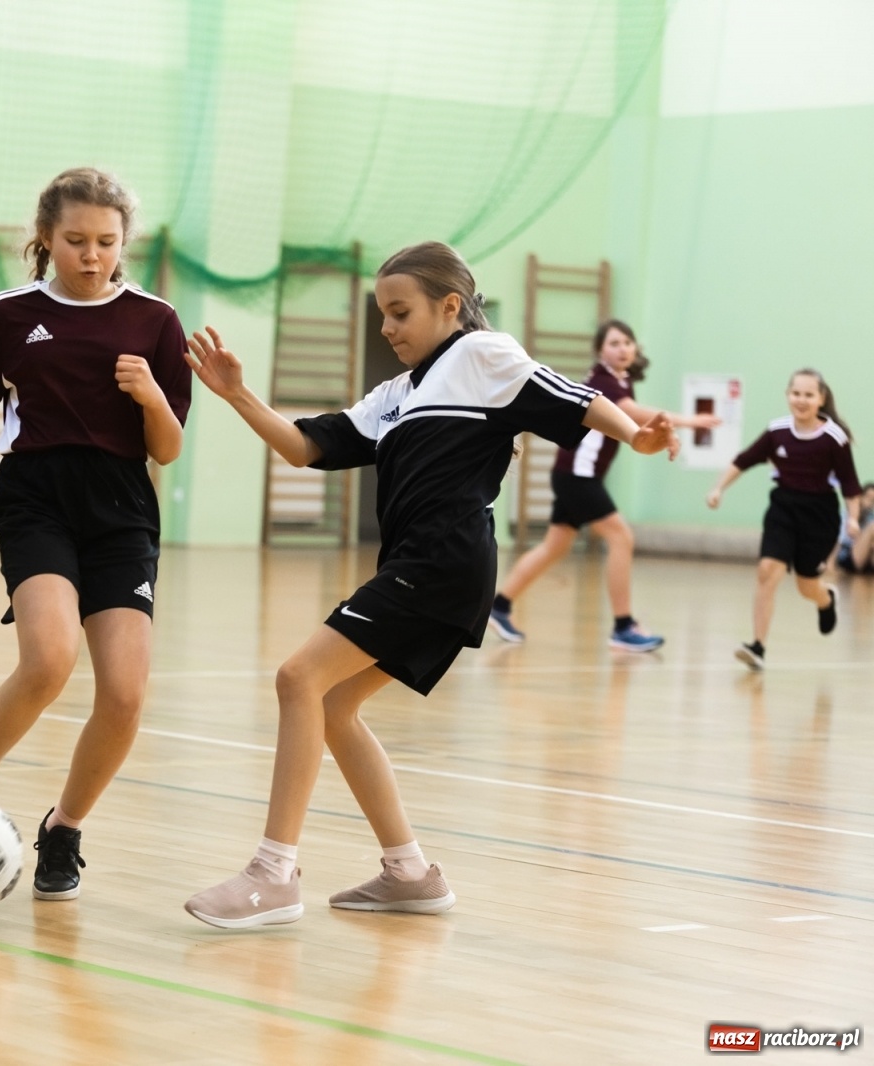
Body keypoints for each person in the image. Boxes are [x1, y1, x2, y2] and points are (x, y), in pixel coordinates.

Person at [180, 241, 677, 929]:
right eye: (382, 313)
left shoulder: (483, 355)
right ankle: (409, 872)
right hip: (417, 565)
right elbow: (306, 446)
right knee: (332, 707)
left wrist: (635, 433)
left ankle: (273, 873)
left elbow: (575, 397)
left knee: (299, 679)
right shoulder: (395, 395)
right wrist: (238, 396)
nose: (388, 326)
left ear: (451, 307)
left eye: (400, 311)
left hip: (445, 561)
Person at [0, 167, 191, 900]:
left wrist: (154, 396)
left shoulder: (156, 321)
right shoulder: (8, 314)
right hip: (37, 498)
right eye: (75, 240)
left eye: (105, 241)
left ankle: (63, 829)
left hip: (122, 507)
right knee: (49, 659)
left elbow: (167, 447)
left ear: (124, 241)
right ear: (45, 238)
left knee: (125, 695)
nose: (91, 254)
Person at [487, 320, 720, 650]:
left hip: (574, 475)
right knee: (621, 537)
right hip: (577, 477)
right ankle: (623, 627)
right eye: (614, 343)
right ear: (600, 351)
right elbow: (634, 413)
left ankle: (500, 607)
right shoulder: (603, 381)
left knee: (555, 546)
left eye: (628, 342)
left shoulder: (619, 380)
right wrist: (691, 420)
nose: (623, 348)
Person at [706, 370, 861, 669]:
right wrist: (718, 488)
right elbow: (744, 459)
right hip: (783, 508)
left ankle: (825, 599)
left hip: (820, 515)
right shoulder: (777, 431)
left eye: (808, 395)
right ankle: (758, 647)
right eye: (796, 394)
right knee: (767, 571)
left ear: (821, 399)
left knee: (806, 585)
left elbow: (850, 485)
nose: (801, 400)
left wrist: (852, 519)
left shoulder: (833, 438)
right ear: (788, 395)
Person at [836, 486, 874, 574]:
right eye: (868, 497)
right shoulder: (846, 515)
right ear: (860, 497)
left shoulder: (870, 517)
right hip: (847, 556)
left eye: (873, 500)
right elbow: (839, 543)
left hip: (866, 558)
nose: (870, 502)